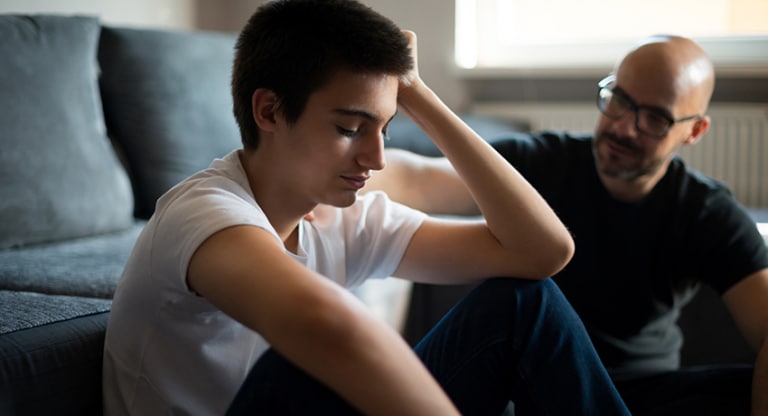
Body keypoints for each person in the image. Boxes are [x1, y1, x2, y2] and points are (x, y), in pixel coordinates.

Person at [101, 0, 631, 415]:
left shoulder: (345, 217)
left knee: (523, 304)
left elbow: (542, 252)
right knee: (308, 363)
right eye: (350, 128)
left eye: (384, 127)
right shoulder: (204, 214)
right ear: (269, 111)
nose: (376, 158)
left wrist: (419, 94)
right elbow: (329, 327)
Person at [368, 34, 768, 415]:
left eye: (654, 119)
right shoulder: (544, 163)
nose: (623, 127)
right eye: (619, 100)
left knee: (744, 388)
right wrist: (344, 171)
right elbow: (419, 179)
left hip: (644, 393)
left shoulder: (706, 211)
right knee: (521, 300)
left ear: (694, 130)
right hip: (538, 381)